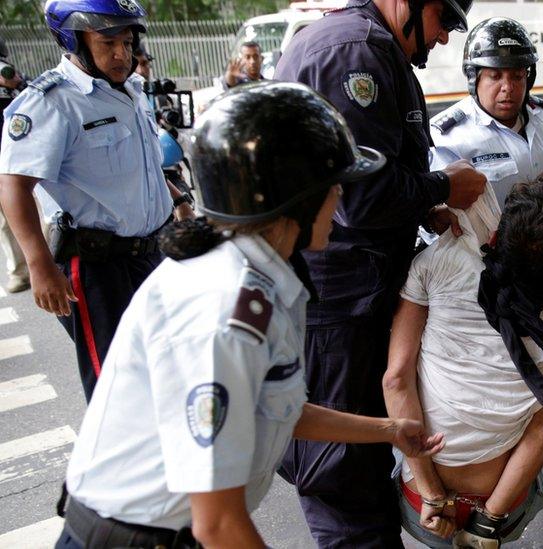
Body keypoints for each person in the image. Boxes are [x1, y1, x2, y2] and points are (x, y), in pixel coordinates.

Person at [56, 82, 445, 549]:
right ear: (291, 200)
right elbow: (218, 525)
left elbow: (272, 406)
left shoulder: (258, 277)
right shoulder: (222, 310)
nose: (340, 194)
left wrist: (388, 431)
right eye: (331, 184)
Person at [273, 0, 484, 545]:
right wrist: (443, 188)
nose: (442, 40)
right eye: (443, 21)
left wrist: (422, 206)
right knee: (342, 474)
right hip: (338, 301)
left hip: (351, 296)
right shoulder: (355, 53)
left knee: (363, 462)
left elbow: (381, 178)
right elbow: (360, 200)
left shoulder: (373, 47)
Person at [0, 0, 194, 402]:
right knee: (119, 391)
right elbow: (14, 184)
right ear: (76, 41)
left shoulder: (130, 90)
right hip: (96, 268)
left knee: (168, 372)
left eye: (126, 41)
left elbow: (143, 166)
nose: (122, 53)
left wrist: (182, 203)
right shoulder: (52, 101)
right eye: (108, 43)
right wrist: (38, 265)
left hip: (151, 253)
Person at [384, 176, 543, 547]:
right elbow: (541, 433)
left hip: (421, 508)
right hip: (500, 513)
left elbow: (396, 381)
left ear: (496, 238)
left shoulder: (435, 263)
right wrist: (488, 521)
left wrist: (433, 495)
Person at [431, 18, 543, 205]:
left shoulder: (542, 118)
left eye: (517, 76)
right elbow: (440, 223)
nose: (507, 87)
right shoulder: (448, 138)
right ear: (473, 78)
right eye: (495, 76)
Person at [0, 36, 30, 293]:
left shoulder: (16, 81)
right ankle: (19, 271)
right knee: (3, 220)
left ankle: (45, 259)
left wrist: (17, 86)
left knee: (41, 212)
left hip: (23, 157)